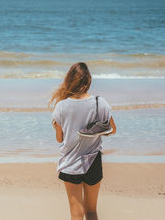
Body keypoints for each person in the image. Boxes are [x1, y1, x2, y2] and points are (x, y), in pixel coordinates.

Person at [49, 62, 117, 220]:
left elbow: (60, 139)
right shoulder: (101, 103)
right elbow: (113, 129)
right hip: (93, 161)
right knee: (91, 211)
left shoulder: (61, 106)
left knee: (76, 212)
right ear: (89, 81)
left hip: (71, 163)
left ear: (69, 80)